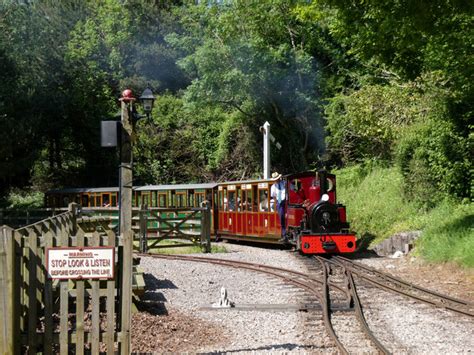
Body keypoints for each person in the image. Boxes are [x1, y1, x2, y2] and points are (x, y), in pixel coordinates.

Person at [270, 172, 287, 241]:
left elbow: (292, 188)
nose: (277, 180)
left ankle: (286, 233)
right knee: (281, 217)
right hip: (279, 202)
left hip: (286, 201)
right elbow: (273, 196)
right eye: (275, 179)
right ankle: (284, 234)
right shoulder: (273, 187)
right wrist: (277, 201)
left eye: (277, 179)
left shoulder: (285, 183)